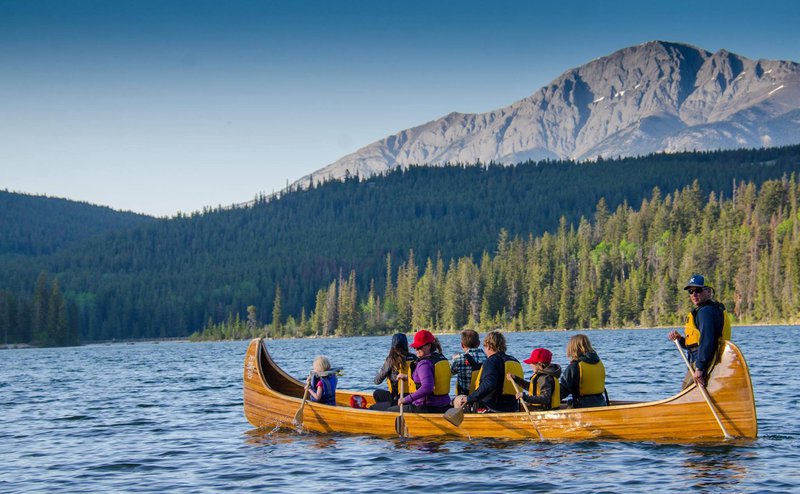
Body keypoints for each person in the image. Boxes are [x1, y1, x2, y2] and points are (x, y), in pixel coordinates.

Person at [668, 274, 732, 388]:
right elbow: (696, 344)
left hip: (704, 363)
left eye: (698, 290)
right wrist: (681, 340)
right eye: (691, 291)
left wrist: (699, 368)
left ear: (708, 292)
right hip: (710, 361)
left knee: (685, 392)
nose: (694, 294)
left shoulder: (705, 312)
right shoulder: (711, 309)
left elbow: (707, 339)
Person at [454, 330, 523, 413]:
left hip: (492, 408)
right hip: (513, 407)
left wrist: (468, 398)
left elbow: (489, 384)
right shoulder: (514, 360)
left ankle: (464, 425)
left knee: (457, 400)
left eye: (485, 346)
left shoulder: (491, 361)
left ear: (489, 346)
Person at [390, 329, 452, 413]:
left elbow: (427, 387)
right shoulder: (440, 358)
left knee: (389, 410)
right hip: (445, 406)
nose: (416, 349)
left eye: (419, 347)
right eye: (415, 347)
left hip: (426, 408)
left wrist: (406, 399)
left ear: (428, 346)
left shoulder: (424, 364)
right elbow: (431, 379)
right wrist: (407, 377)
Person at [371, 333, 417, 410]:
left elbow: (377, 381)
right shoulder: (414, 357)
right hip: (413, 397)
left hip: (398, 400)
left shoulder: (391, 360)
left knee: (375, 399)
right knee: (377, 393)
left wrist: (380, 371)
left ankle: (389, 410)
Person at [560, 334, 607, 408]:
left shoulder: (574, 367)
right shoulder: (599, 363)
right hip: (601, 403)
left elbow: (563, 389)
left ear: (572, 349)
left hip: (582, 406)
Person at [451, 329, 486, 396]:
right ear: (478, 343)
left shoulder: (459, 359)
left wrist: (454, 359)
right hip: (482, 396)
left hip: (464, 398)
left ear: (462, 345)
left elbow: (449, 373)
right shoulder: (487, 357)